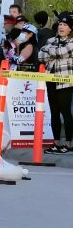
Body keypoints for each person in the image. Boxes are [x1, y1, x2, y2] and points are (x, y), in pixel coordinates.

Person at [39, 14, 73, 154]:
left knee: (66, 112)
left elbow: (61, 52)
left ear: (70, 28)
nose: (61, 27)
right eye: (60, 24)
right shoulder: (51, 40)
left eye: (65, 25)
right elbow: (41, 55)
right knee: (54, 112)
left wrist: (50, 50)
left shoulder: (71, 42)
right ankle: (56, 143)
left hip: (65, 81)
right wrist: (51, 51)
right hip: (50, 79)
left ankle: (68, 144)